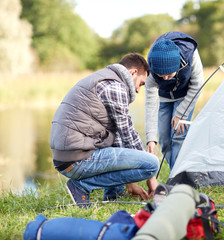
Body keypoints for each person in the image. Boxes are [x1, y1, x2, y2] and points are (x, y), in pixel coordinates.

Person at [50, 53, 159, 207]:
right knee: (152, 163)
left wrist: (129, 183)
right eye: (141, 84)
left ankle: (113, 194)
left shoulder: (103, 79)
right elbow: (128, 133)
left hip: (67, 158)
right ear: (133, 73)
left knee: (113, 141)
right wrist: (151, 178)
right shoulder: (115, 87)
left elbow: (118, 138)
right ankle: (81, 186)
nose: (138, 90)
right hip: (77, 159)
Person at [145, 31, 204, 170]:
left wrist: (181, 113)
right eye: (161, 75)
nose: (165, 79)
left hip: (185, 96)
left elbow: (197, 85)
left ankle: (178, 175)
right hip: (164, 97)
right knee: (164, 140)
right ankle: (175, 172)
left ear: (177, 66)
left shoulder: (191, 55)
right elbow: (150, 103)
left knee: (178, 136)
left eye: (169, 75)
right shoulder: (152, 65)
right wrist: (150, 138)